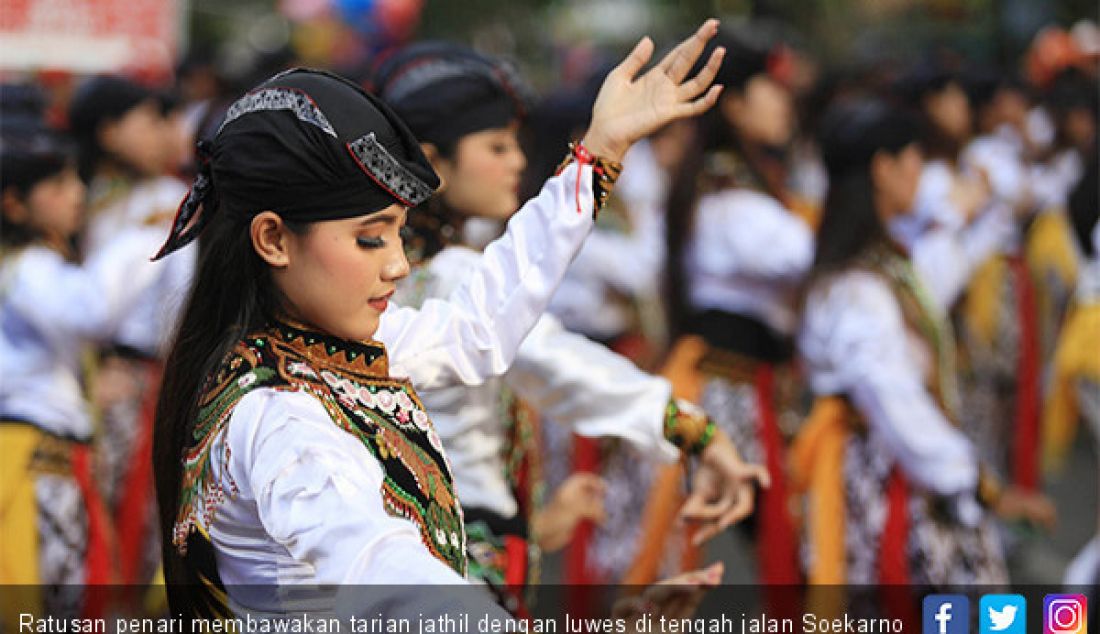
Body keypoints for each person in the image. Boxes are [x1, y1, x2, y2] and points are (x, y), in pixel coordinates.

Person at [153, 21, 739, 619]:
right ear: (274, 239)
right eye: (369, 240)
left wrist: (600, 153)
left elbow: (475, 328)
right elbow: (383, 574)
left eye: (397, 235)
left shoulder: (315, 354)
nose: (399, 267)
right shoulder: (280, 417)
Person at [372, 42, 766, 605]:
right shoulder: (452, 274)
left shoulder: (380, 274)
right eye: (497, 145)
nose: (515, 160)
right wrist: (696, 430)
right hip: (462, 549)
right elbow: (555, 361)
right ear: (434, 162)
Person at [791, 98, 1051, 594]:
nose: (920, 171)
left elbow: (932, 281)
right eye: (913, 158)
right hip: (890, 478)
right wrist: (974, 481)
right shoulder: (856, 288)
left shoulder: (876, 268)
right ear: (883, 169)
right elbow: (892, 397)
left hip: (900, 466)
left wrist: (970, 220)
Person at [0, 109, 166, 621]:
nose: (76, 193)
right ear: (13, 203)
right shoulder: (27, 268)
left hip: (45, 459)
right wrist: (151, 236)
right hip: (33, 466)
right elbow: (92, 310)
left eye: (74, 179)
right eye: (57, 183)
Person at [664, 26, 810, 585]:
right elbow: (803, 255)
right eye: (773, 90)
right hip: (732, 388)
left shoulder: (735, 182)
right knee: (776, 535)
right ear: (739, 104)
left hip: (747, 380)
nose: (785, 103)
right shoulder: (728, 194)